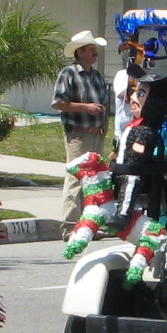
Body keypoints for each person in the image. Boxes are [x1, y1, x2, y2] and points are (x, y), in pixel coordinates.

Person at [53, 31, 110, 230]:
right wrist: (86, 108)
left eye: (95, 49)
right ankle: (69, 226)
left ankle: (89, 226)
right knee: (76, 180)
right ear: (80, 52)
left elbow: (104, 102)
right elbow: (58, 103)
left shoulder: (96, 75)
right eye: (91, 49)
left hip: (96, 135)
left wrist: (104, 124)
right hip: (78, 135)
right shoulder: (68, 74)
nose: (96, 52)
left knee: (94, 181)